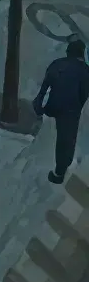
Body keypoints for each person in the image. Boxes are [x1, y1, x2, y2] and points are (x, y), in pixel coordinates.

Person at [41, 38, 88, 185]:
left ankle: (61, 170)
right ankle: (60, 171)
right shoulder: (85, 70)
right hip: (71, 110)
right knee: (66, 139)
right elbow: (84, 94)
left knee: (63, 137)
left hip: (53, 106)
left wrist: (40, 106)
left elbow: (45, 86)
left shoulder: (57, 64)